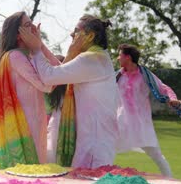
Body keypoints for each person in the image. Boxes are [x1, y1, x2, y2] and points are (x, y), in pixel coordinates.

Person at [20, 14, 121, 168]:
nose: (71, 34)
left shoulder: (90, 59)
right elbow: (60, 68)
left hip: (95, 145)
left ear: (90, 36)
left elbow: (49, 76)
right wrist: (39, 44)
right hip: (96, 140)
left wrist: (36, 49)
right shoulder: (99, 57)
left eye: (76, 31)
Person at [0, 11, 60, 168]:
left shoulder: (25, 56)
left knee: (33, 174)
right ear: (18, 34)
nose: (33, 28)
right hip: (25, 125)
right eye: (27, 25)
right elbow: (47, 84)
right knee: (30, 175)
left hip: (33, 122)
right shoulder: (15, 57)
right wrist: (38, 47)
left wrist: (40, 46)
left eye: (32, 24)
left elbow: (58, 72)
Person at [115, 44, 181, 177]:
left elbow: (163, 88)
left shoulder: (145, 75)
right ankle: (99, 178)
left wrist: (173, 99)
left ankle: (171, 181)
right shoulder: (117, 76)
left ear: (127, 57)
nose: (117, 59)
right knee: (106, 148)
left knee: (156, 155)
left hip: (141, 124)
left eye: (120, 55)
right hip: (121, 122)